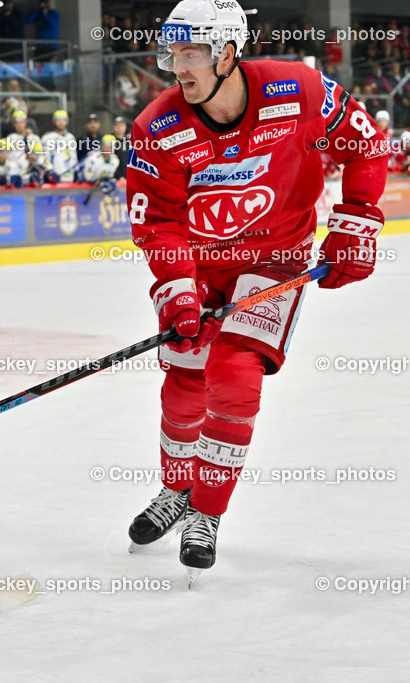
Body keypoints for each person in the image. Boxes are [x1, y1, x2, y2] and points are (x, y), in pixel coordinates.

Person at [125, 0, 388, 580]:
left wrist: (357, 222)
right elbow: (158, 223)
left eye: (189, 52)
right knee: (185, 383)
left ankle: (205, 511)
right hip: (199, 265)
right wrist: (178, 290)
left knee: (235, 371)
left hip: (276, 262)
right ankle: (177, 490)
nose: (176, 67)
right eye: (172, 53)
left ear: (226, 51)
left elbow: (366, 145)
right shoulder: (158, 128)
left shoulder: (299, 90)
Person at [41, 110, 78, 181]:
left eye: (63, 120)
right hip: (55, 175)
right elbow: (45, 156)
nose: (61, 122)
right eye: (58, 120)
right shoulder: (48, 137)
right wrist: (50, 170)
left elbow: (73, 156)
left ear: (67, 122)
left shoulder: (71, 137)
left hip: (70, 175)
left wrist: (76, 170)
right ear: (54, 121)